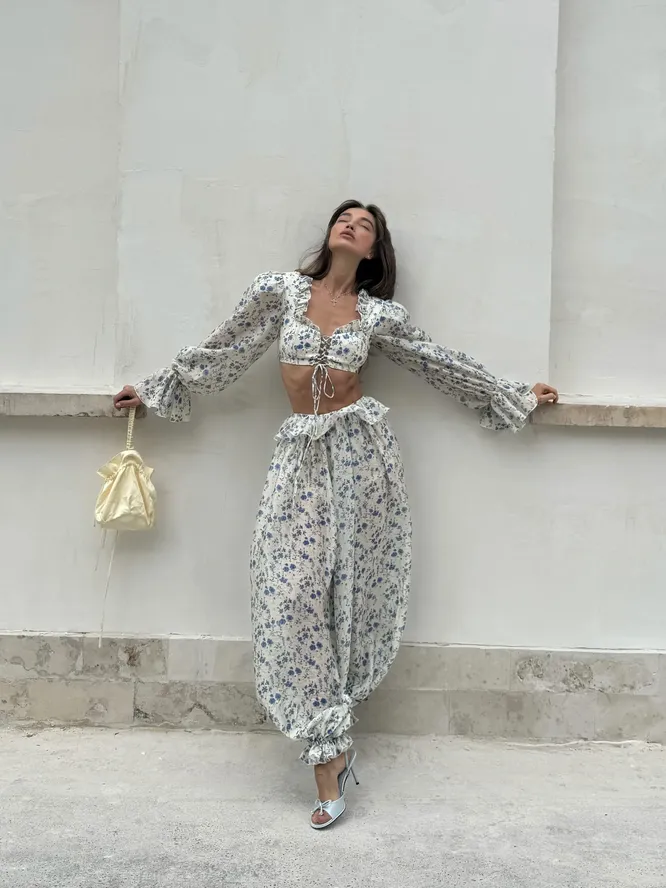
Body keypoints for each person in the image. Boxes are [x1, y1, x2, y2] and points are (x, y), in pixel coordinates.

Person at [114, 199, 558, 829]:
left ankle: (329, 761)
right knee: (289, 592)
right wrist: (156, 389)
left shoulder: (377, 315)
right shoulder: (280, 292)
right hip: (300, 455)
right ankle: (328, 741)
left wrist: (514, 394)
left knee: (352, 593)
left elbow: (438, 362)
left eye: (365, 224)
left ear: (373, 250)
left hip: (361, 455)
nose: (352, 225)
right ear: (330, 233)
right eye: (344, 218)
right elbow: (224, 349)